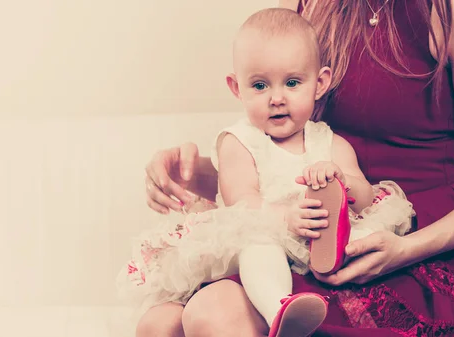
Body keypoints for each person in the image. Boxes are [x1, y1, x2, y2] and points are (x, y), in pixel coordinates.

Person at [138, 0, 454, 336]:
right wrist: (196, 175)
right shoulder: (304, 5)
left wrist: (404, 250)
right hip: (312, 230)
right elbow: (280, 158)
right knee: (160, 324)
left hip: (418, 238)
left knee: (214, 313)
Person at [119, 7, 414, 337]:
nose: (276, 98)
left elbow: (366, 197)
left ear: (319, 83)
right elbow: (242, 202)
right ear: (236, 88)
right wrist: (286, 216)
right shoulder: (240, 142)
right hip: (264, 234)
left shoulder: (328, 141)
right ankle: (280, 309)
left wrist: (341, 181)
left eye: (291, 83)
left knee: (355, 239)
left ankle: (314, 284)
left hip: (314, 240)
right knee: (258, 244)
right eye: (260, 86)